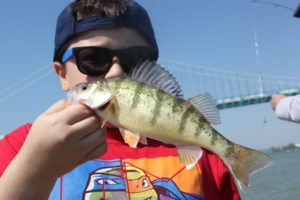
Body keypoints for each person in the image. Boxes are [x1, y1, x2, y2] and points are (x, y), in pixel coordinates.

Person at [0, 0, 241, 199]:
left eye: (136, 59)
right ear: (62, 74)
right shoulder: (19, 148)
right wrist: (37, 168)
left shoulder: (204, 153)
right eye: (93, 59)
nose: (116, 73)